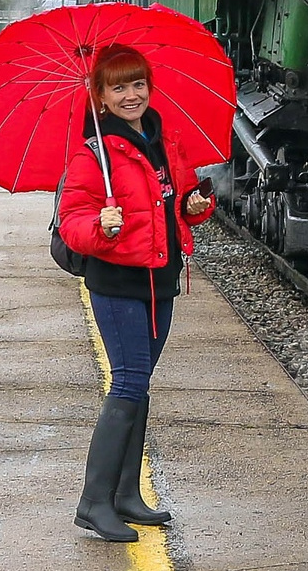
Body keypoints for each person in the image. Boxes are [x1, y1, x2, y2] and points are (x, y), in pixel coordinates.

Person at [55, 44, 215, 542]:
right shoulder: (93, 152)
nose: (131, 94)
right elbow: (72, 221)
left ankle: (126, 495)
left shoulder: (163, 140)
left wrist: (194, 206)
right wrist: (99, 226)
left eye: (138, 83)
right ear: (100, 96)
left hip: (160, 282)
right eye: (119, 86)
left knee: (138, 386)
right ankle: (92, 502)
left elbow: (178, 206)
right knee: (126, 385)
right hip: (118, 284)